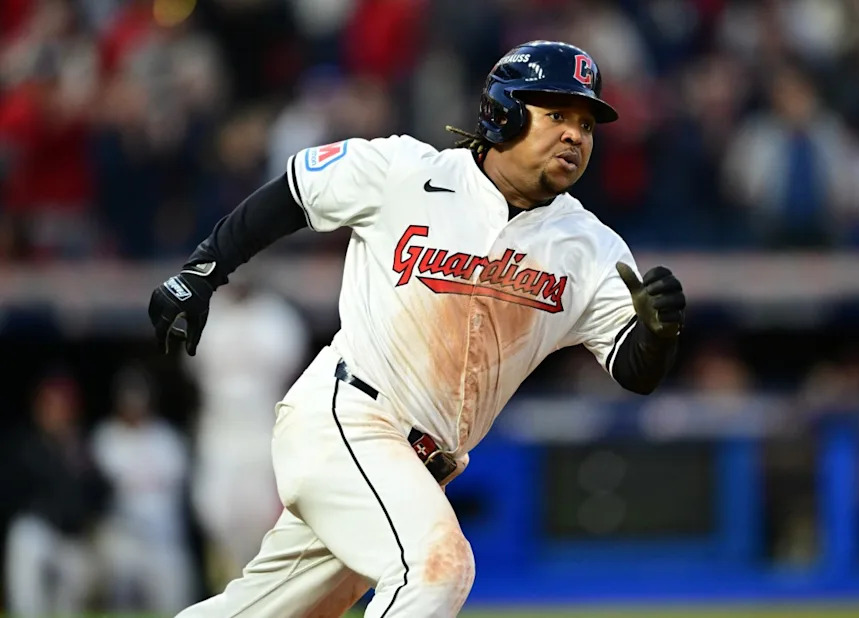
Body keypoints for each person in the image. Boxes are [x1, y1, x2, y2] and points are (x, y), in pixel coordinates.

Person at [149, 41, 686, 617]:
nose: (575, 135)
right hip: (348, 418)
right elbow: (293, 194)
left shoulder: (591, 246)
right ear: (503, 111)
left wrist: (658, 335)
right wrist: (203, 271)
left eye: (586, 123)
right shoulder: (407, 171)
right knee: (438, 565)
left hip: (421, 467)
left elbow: (634, 371)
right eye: (556, 114)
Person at [187, 274, 308, 587]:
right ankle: (224, 586)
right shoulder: (206, 313)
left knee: (259, 518)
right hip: (220, 430)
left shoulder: (276, 316)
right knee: (215, 512)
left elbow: (291, 370)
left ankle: (261, 589)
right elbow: (193, 368)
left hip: (261, 430)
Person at [3, 370, 109, 617]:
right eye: (50, 405)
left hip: (73, 540)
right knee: (25, 537)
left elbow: (99, 496)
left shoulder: (82, 447)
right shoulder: (23, 445)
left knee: (72, 597)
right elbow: (15, 495)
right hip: (39, 532)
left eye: (62, 406)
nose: (56, 412)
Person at [90, 365, 194, 613]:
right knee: (120, 582)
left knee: (178, 600)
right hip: (124, 537)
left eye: (138, 399)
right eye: (128, 399)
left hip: (164, 540)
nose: (134, 406)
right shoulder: (105, 438)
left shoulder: (167, 439)